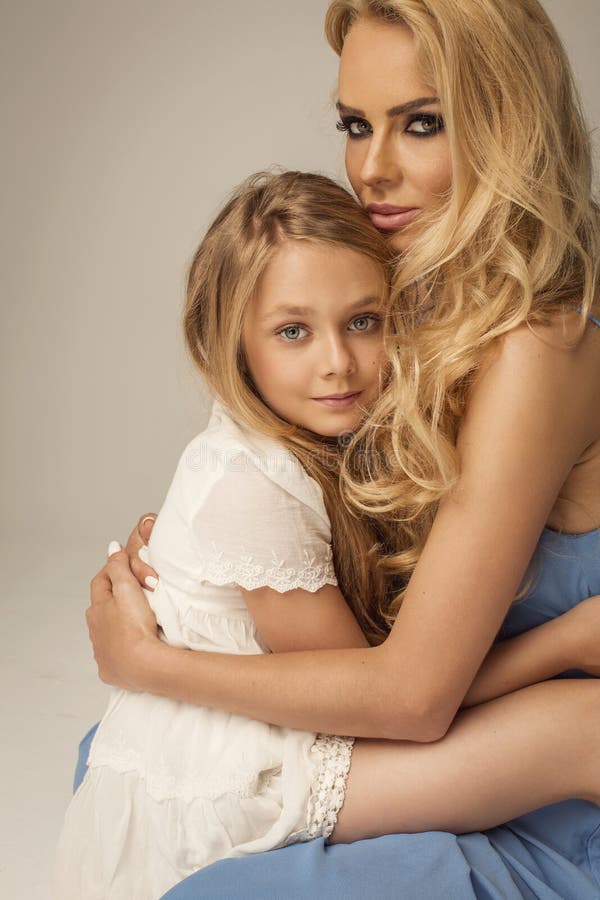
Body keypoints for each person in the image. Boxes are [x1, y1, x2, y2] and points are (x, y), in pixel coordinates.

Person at [85, 1, 600, 897]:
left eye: (422, 124)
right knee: (133, 770)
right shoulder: (418, 281)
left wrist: (152, 662)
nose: (371, 168)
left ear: (508, 125)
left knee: (199, 858)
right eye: (356, 125)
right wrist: (215, 563)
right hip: (446, 724)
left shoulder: (537, 345)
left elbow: (412, 697)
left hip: (528, 767)